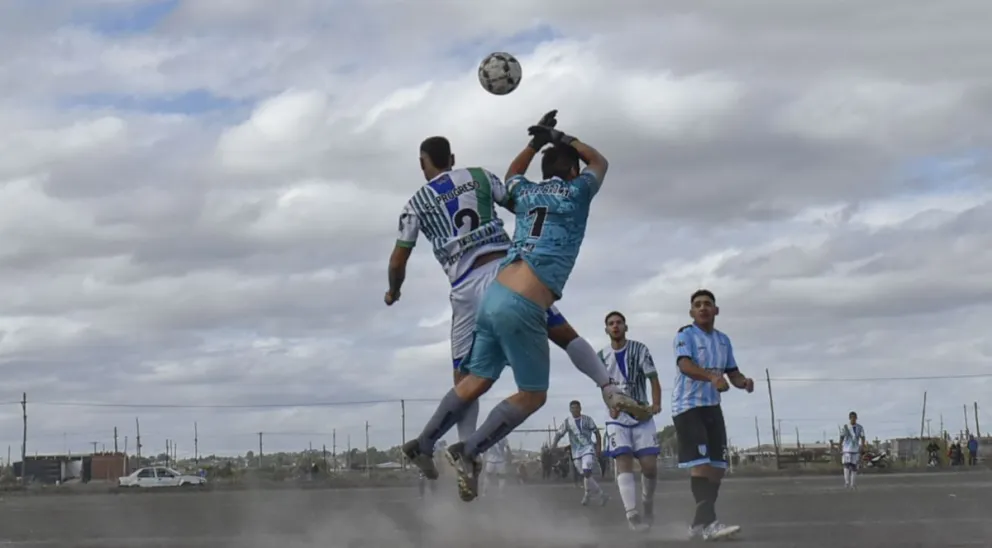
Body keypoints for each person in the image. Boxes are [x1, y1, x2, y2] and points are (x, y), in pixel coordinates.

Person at [390, 130, 650, 478]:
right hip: (516, 291)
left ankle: (424, 443)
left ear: (423, 164)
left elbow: (513, 176)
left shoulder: (525, 191)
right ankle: (468, 451)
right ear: (574, 170)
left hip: (486, 294)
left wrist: (533, 145)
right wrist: (560, 137)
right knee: (534, 392)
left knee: (471, 380)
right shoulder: (574, 192)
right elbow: (599, 161)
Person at [672, 289, 752, 541]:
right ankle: (710, 524)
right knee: (702, 465)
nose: (703, 308)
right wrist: (712, 377)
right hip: (688, 406)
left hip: (711, 407)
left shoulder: (723, 340)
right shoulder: (685, 335)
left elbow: (733, 373)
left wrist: (744, 382)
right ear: (691, 312)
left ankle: (698, 524)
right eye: (698, 305)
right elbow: (685, 365)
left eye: (708, 304)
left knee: (718, 468)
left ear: (716, 310)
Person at [599, 311, 662, 531]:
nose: (615, 326)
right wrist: (610, 406)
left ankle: (647, 502)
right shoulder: (601, 356)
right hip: (617, 419)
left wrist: (656, 403)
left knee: (649, 467)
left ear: (626, 327)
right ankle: (632, 514)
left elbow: (653, 378)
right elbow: (604, 387)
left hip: (641, 414)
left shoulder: (640, 349)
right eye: (611, 324)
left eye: (619, 323)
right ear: (606, 329)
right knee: (623, 459)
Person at [551, 400, 607, 506]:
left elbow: (596, 433)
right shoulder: (567, 422)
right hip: (576, 451)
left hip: (587, 448)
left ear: (580, 408)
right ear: (570, 409)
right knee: (585, 475)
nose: (575, 410)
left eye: (576, 407)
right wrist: (554, 444)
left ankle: (596, 494)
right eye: (572, 408)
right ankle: (591, 494)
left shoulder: (587, 419)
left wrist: (599, 447)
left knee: (586, 471)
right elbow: (559, 433)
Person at [839, 411, 865, 489]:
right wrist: (840, 445)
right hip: (847, 449)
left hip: (855, 449)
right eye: (852, 418)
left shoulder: (860, 427)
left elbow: (863, 437)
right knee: (846, 466)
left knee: (854, 467)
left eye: (855, 418)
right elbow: (841, 437)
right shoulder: (845, 427)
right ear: (850, 418)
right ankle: (847, 482)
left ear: (856, 418)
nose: (853, 419)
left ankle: (853, 484)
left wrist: (862, 446)